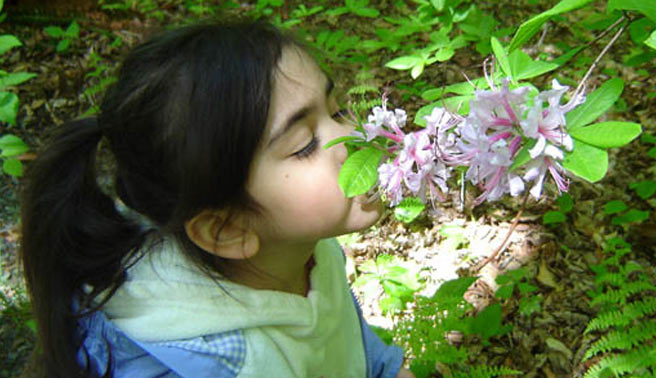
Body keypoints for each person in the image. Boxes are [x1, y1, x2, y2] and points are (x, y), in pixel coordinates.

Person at [21, 20, 414, 378]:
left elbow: (351, 350)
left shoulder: (300, 252)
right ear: (226, 230)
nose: (354, 138)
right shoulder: (195, 365)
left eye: (338, 109)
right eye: (304, 145)